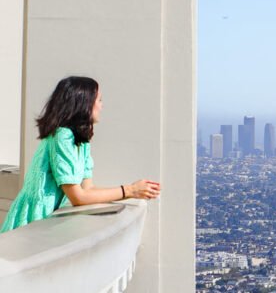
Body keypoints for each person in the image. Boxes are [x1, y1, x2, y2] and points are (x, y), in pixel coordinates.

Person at [0, 76, 160, 233]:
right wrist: (130, 190)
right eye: (99, 100)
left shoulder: (81, 140)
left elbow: (88, 188)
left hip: (44, 225)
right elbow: (78, 197)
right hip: (31, 223)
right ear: (84, 103)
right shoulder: (62, 136)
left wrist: (132, 192)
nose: (102, 106)